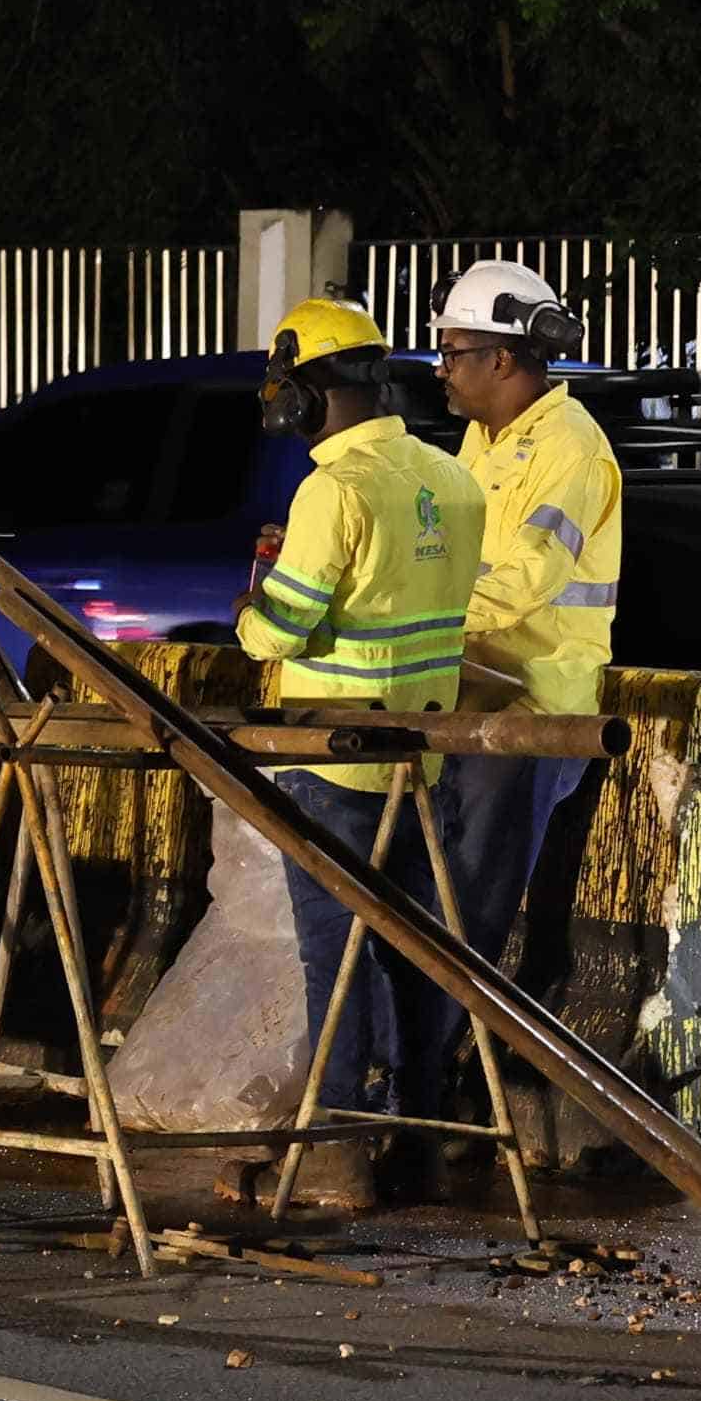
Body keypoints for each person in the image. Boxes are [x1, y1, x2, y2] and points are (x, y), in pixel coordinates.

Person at [232, 296, 487, 1201]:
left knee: (333, 954)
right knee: (421, 949)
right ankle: (421, 1136)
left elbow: (285, 630)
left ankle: (336, 1148)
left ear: (310, 394)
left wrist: (251, 609)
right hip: (425, 762)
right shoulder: (455, 481)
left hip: (335, 765)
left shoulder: (331, 491)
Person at [428, 260, 617, 980]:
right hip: (472, 696)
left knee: (467, 917)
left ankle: (422, 1079)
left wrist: (419, 617)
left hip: (534, 711)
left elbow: (528, 578)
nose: (441, 369)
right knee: (436, 905)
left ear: (501, 357)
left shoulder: (570, 447)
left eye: (453, 354)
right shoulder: (485, 439)